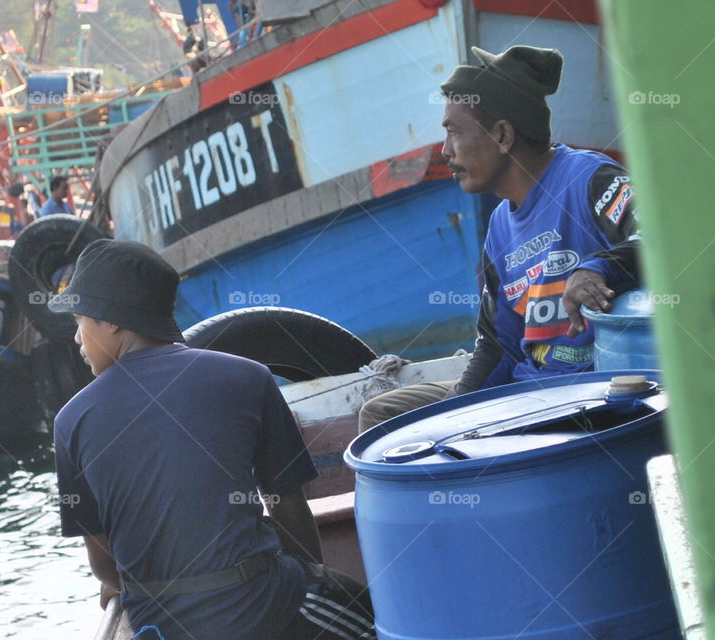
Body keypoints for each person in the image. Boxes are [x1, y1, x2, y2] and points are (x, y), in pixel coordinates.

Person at [50, 239, 375, 640]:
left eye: (80, 320)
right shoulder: (249, 377)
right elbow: (291, 514)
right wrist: (305, 587)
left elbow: (104, 566)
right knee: (381, 617)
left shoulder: (70, 422)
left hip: (161, 626)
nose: (77, 339)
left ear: (113, 320)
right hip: (260, 607)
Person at [359, 45, 640, 432]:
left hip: (584, 400)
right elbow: (499, 343)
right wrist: (457, 413)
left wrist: (598, 269)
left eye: (454, 133)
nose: (444, 151)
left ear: (503, 134)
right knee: (382, 417)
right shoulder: (499, 228)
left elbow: (662, 242)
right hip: (523, 394)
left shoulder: (589, 179)